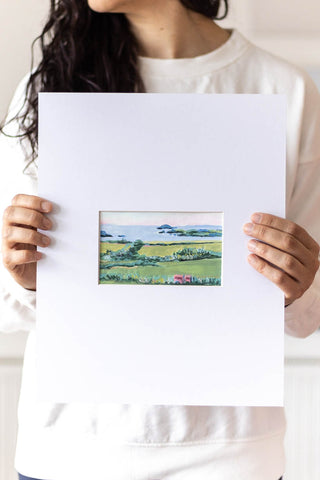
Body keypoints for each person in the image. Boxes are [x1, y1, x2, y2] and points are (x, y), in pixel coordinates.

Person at [0, 1, 320, 479]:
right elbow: (8, 307)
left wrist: (297, 284)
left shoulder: (283, 89)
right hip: (71, 448)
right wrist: (27, 279)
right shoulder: (49, 85)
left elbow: (306, 317)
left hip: (230, 454)